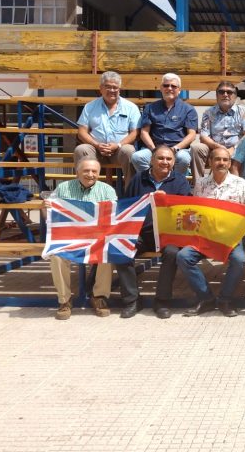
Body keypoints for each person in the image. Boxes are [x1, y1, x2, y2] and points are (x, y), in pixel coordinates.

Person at [175, 147, 245, 318]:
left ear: (230, 163)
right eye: (217, 159)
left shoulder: (240, 184)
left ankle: (225, 299)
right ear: (209, 162)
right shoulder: (201, 183)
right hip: (206, 236)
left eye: (225, 160)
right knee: (183, 257)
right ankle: (206, 298)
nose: (221, 163)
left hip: (230, 237)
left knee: (239, 259)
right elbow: (195, 213)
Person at [45, 158, 117, 320]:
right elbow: (50, 217)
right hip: (70, 237)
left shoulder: (107, 190)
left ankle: (99, 297)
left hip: (96, 237)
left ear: (99, 174)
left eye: (94, 172)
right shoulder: (62, 188)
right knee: (56, 255)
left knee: (107, 252)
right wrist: (47, 209)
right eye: (86, 171)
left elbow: (113, 218)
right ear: (77, 172)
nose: (90, 174)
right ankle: (65, 300)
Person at [125, 145, 191, 319]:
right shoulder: (138, 179)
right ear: (152, 160)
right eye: (161, 158)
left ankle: (162, 301)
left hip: (167, 233)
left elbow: (186, 211)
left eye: (169, 159)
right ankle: (132, 300)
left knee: (172, 252)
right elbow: (127, 206)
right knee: (123, 249)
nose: (165, 162)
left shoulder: (180, 181)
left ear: (174, 162)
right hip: (142, 232)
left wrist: (166, 201)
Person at [74, 70, 141, 191]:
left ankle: (131, 195)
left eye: (115, 87)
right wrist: (97, 145)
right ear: (101, 88)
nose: (112, 90)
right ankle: (86, 192)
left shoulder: (131, 107)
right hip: (95, 149)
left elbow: (135, 132)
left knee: (130, 151)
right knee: (81, 149)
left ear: (119, 89)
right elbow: (82, 131)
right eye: (108, 87)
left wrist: (118, 145)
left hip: (120, 150)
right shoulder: (90, 106)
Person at [131, 73, 197, 176]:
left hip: (178, 149)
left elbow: (192, 135)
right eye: (166, 85)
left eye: (173, 86)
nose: (169, 88)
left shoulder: (188, 109)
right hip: (153, 148)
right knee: (137, 157)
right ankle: (150, 183)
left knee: (183, 158)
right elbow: (144, 132)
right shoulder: (150, 108)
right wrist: (154, 150)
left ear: (179, 90)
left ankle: (176, 185)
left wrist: (175, 148)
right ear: (161, 88)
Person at [191, 82, 245, 181]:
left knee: (243, 151)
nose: (225, 95)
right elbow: (203, 136)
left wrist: (233, 148)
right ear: (217, 95)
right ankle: (198, 185)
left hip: (237, 149)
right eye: (221, 92)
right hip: (214, 148)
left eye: (229, 92)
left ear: (235, 96)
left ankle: (236, 187)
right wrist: (217, 147)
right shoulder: (208, 112)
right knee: (197, 148)